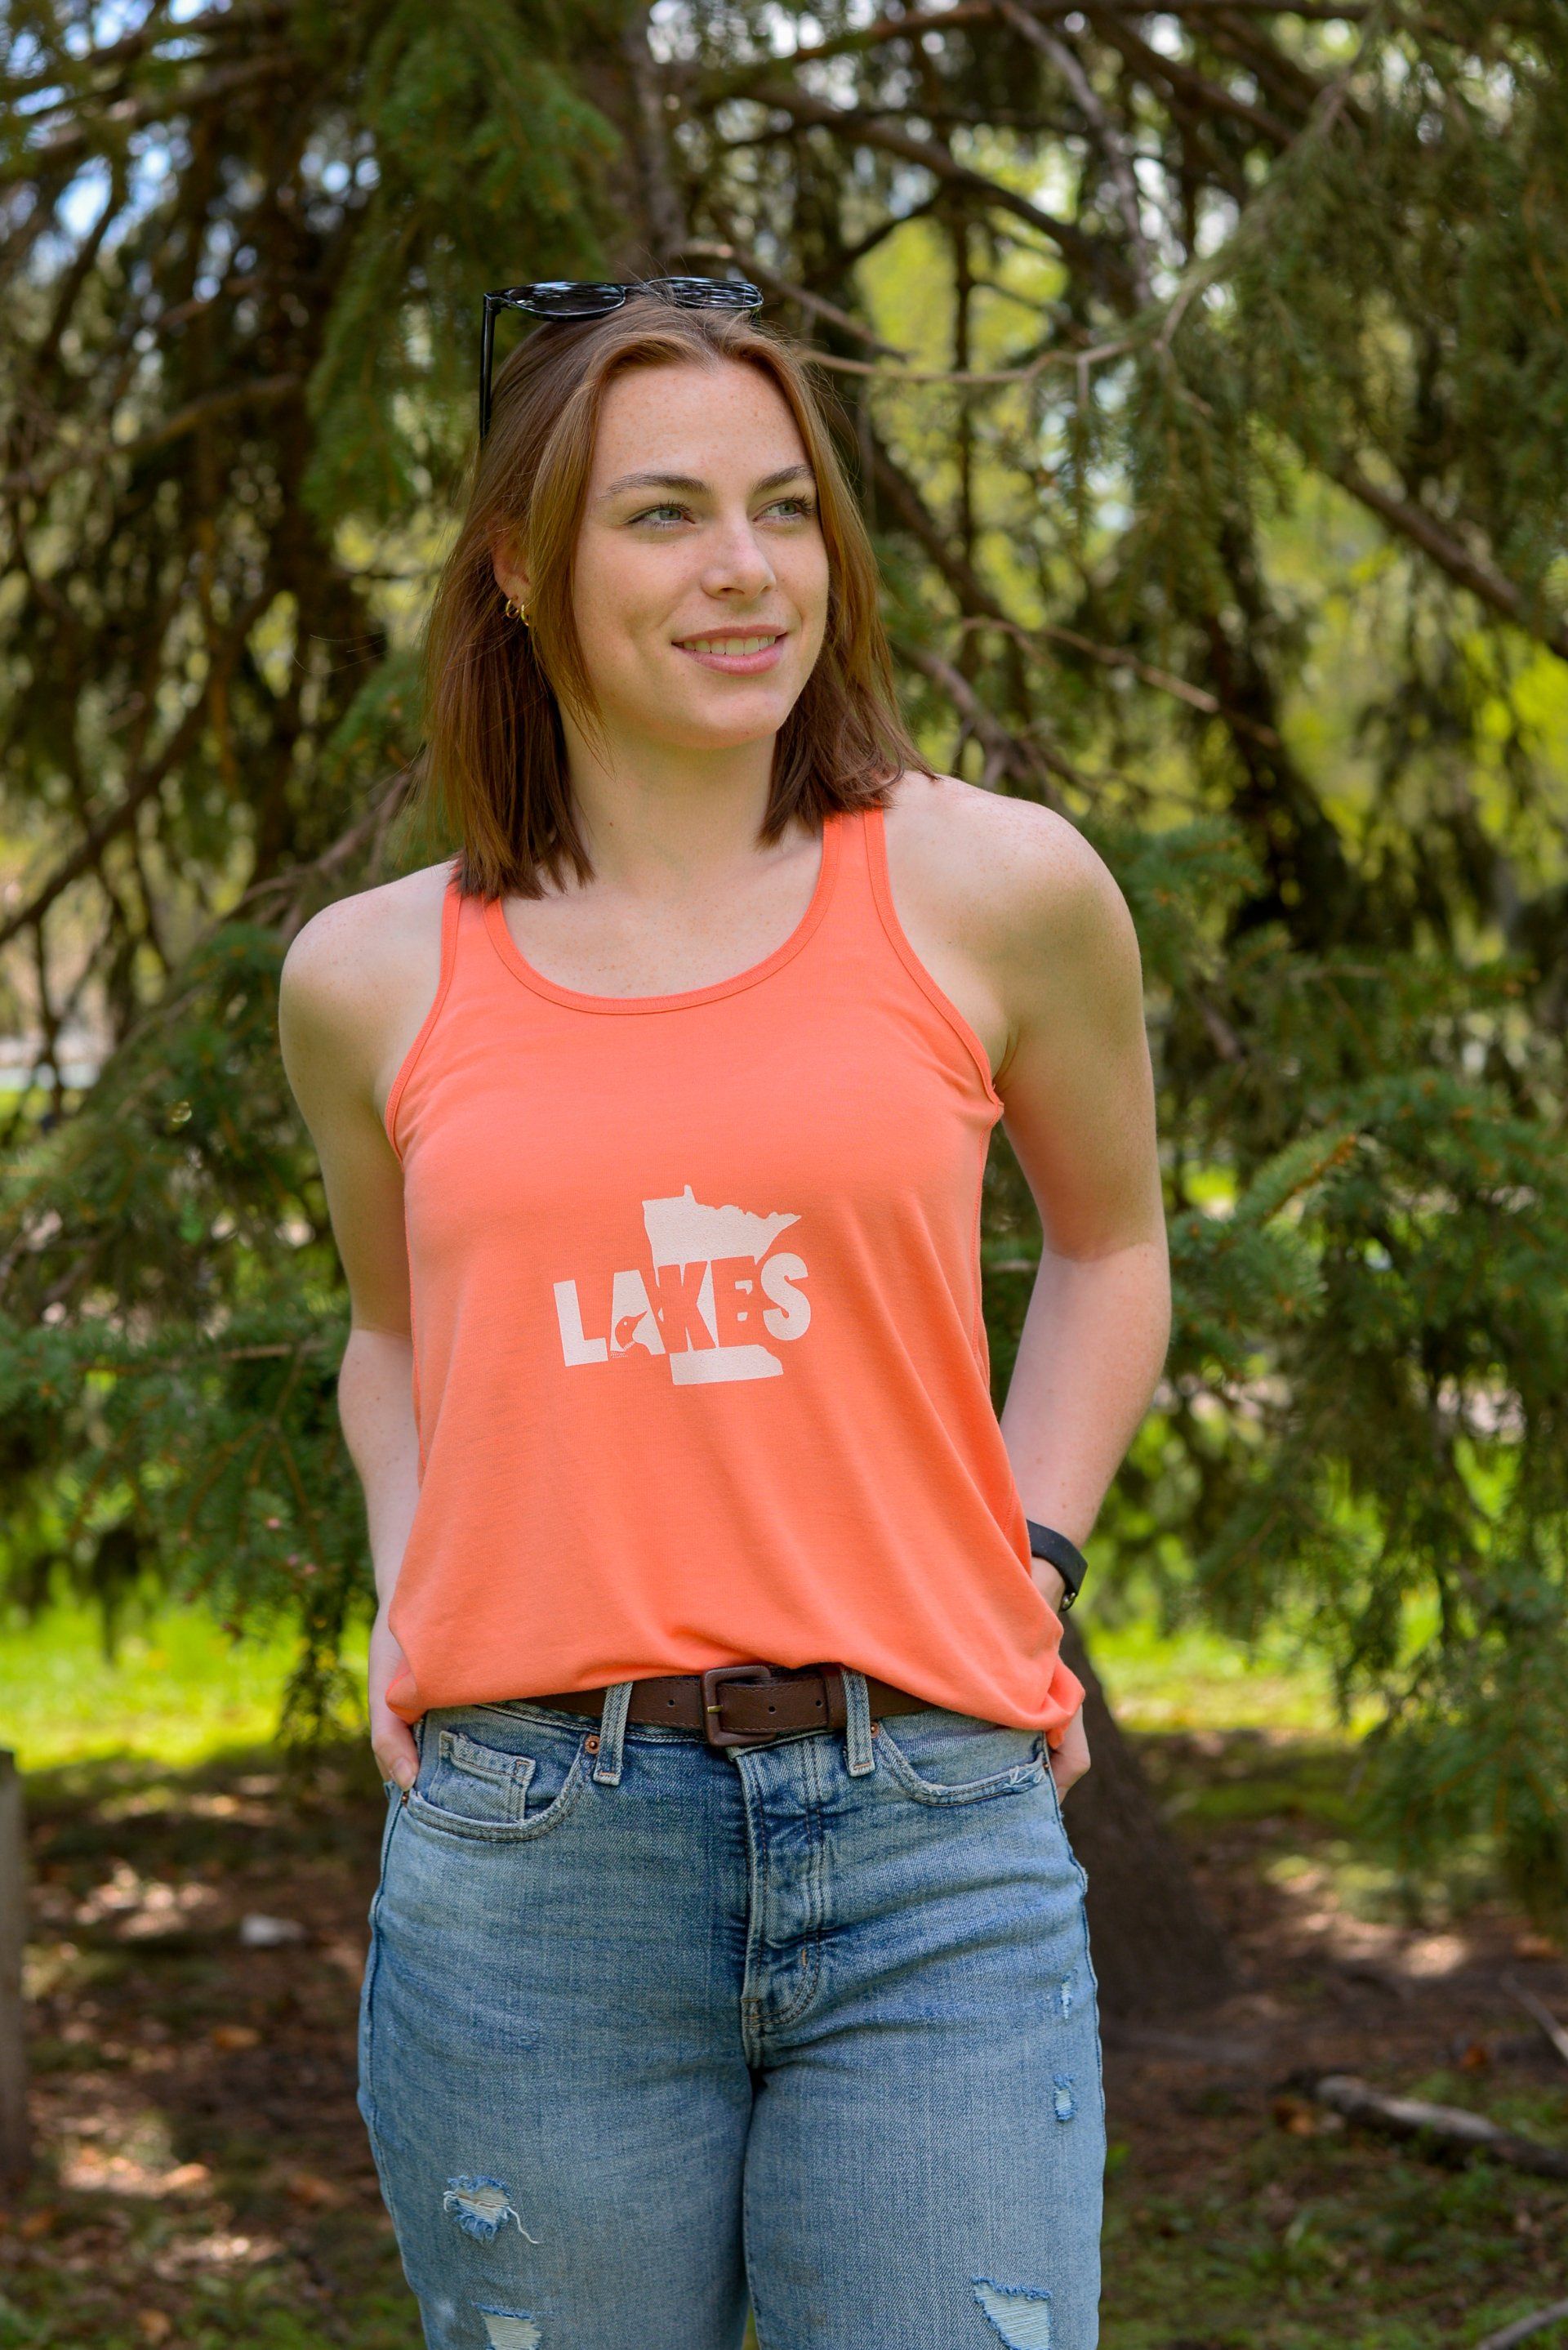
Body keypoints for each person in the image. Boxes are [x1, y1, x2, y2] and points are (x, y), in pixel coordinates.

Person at [278, 280, 1169, 2350]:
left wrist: (1029, 1563)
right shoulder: (371, 974)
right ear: (522, 564)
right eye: (664, 515)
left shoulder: (996, 887)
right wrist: (413, 1585)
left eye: (785, 508)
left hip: (933, 1841)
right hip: (532, 1866)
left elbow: (1113, 1253)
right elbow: (394, 1336)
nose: (746, 572)